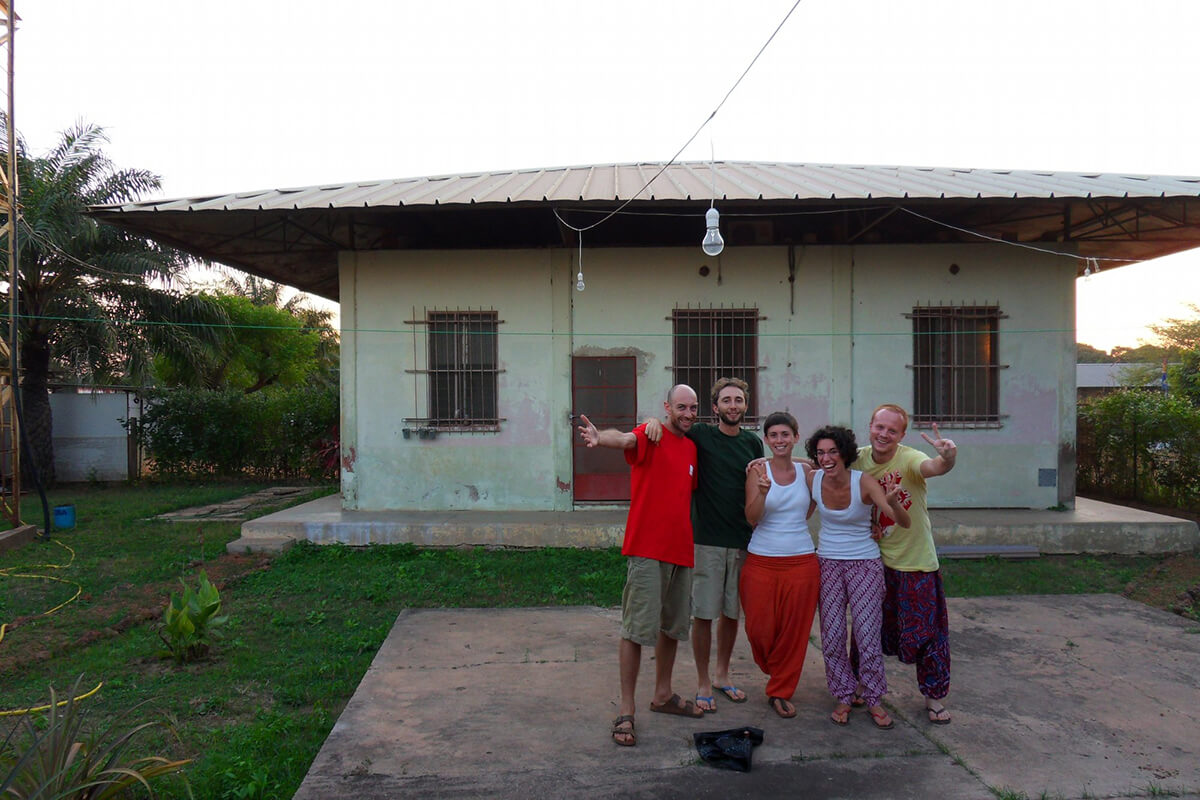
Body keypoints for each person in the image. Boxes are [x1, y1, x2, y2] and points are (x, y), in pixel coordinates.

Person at [577, 384, 705, 747]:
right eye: (682, 406)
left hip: (681, 550)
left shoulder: (693, 447)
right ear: (667, 406)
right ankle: (627, 709)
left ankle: (663, 695)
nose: (688, 413)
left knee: (672, 628)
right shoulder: (651, 433)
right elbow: (626, 441)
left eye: (693, 408)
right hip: (647, 549)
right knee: (636, 629)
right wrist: (601, 438)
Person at [643, 377, 762, 713]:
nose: (733, 406)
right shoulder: (701, 435)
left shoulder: (753, 444)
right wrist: (652, 421)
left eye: (739, 400)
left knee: (730, 614)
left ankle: (723, 675)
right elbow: (668, 428)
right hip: (706, 541)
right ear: (715, 407)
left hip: (741, 541)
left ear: (745, 405)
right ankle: (703, 681)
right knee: (704, 614)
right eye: (726, 400)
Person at [854, 403, 957, 725]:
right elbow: (822, 462)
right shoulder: (857, 458)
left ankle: (934, 697)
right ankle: (861, 684)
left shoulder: (910, 458)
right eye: (879, 427)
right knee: (865, 629)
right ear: (870, 426)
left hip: (915, 565)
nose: (884, 434)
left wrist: (948, 456)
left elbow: (935, 467)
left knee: (928, 635)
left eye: (892, 430)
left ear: (902, 435)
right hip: (873, 562)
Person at [805, 424, 911, 730]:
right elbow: (790, 467)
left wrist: (892, 502)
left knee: (866, 635)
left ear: (845, 453)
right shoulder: (813, 479)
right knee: (833, 634)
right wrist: (758, 462)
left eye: (832, 452)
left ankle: (874, 698)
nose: (826, 458)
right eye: (820, 453)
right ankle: (843, 694)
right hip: (827, 563)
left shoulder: (863, 482)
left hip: (864, 563)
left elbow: (903, 522)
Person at [741, 411, 820, 719]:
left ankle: (780, 690)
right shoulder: (757, 471)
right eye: (773, 435)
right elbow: (752, 517)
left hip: (801, 561)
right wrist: (762, 492)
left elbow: (812, 507)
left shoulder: (808, 472)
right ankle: (774, 670)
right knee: (759, 629)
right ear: (766, 440)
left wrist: (801, 462)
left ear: (795, 437)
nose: (779, 440)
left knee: (794, 632)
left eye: (785, 434)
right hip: (761, 560)